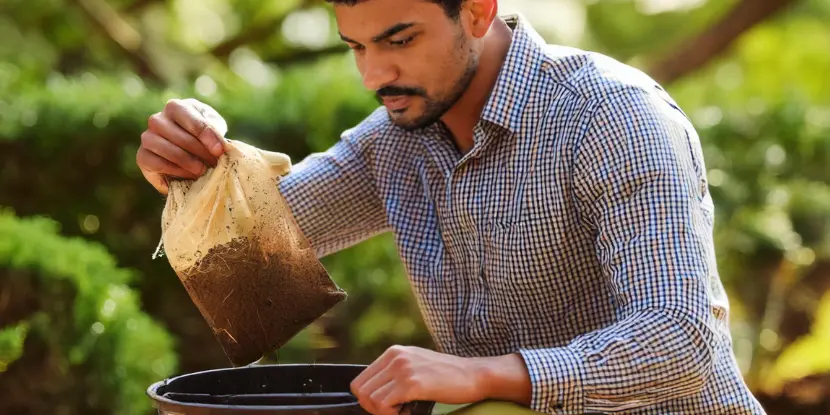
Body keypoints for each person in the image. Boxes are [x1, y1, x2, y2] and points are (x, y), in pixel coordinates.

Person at [136, 0, 767, 414]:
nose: (374, 75)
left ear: (476, 10)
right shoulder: (396, 138)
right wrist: (188, 168)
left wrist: (485, 375)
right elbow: (248, 255)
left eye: (399, 39)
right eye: (356, 47)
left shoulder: (612, 117)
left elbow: (682, 339)